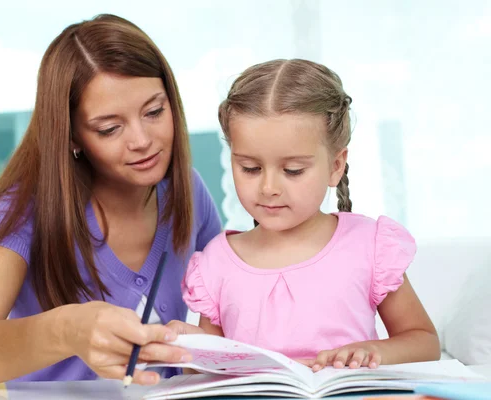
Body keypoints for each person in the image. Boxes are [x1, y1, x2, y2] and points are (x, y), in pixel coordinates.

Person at [0, 14, 222, 387]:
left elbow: (229, 318)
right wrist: (68, 330)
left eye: (154, 111)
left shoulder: (188, 190)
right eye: (109, 128)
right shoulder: (26, 207)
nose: (142, 139)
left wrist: (208, 351)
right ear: (72, 137)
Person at [182, 58, 440, 372]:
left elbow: (424, 341)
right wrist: (188, 350)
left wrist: (373, 351)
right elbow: (206, 372)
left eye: (293, 170)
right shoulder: (217, 262)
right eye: (250, 168)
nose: (268, 187)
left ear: (335, 165)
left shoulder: (369, 246)